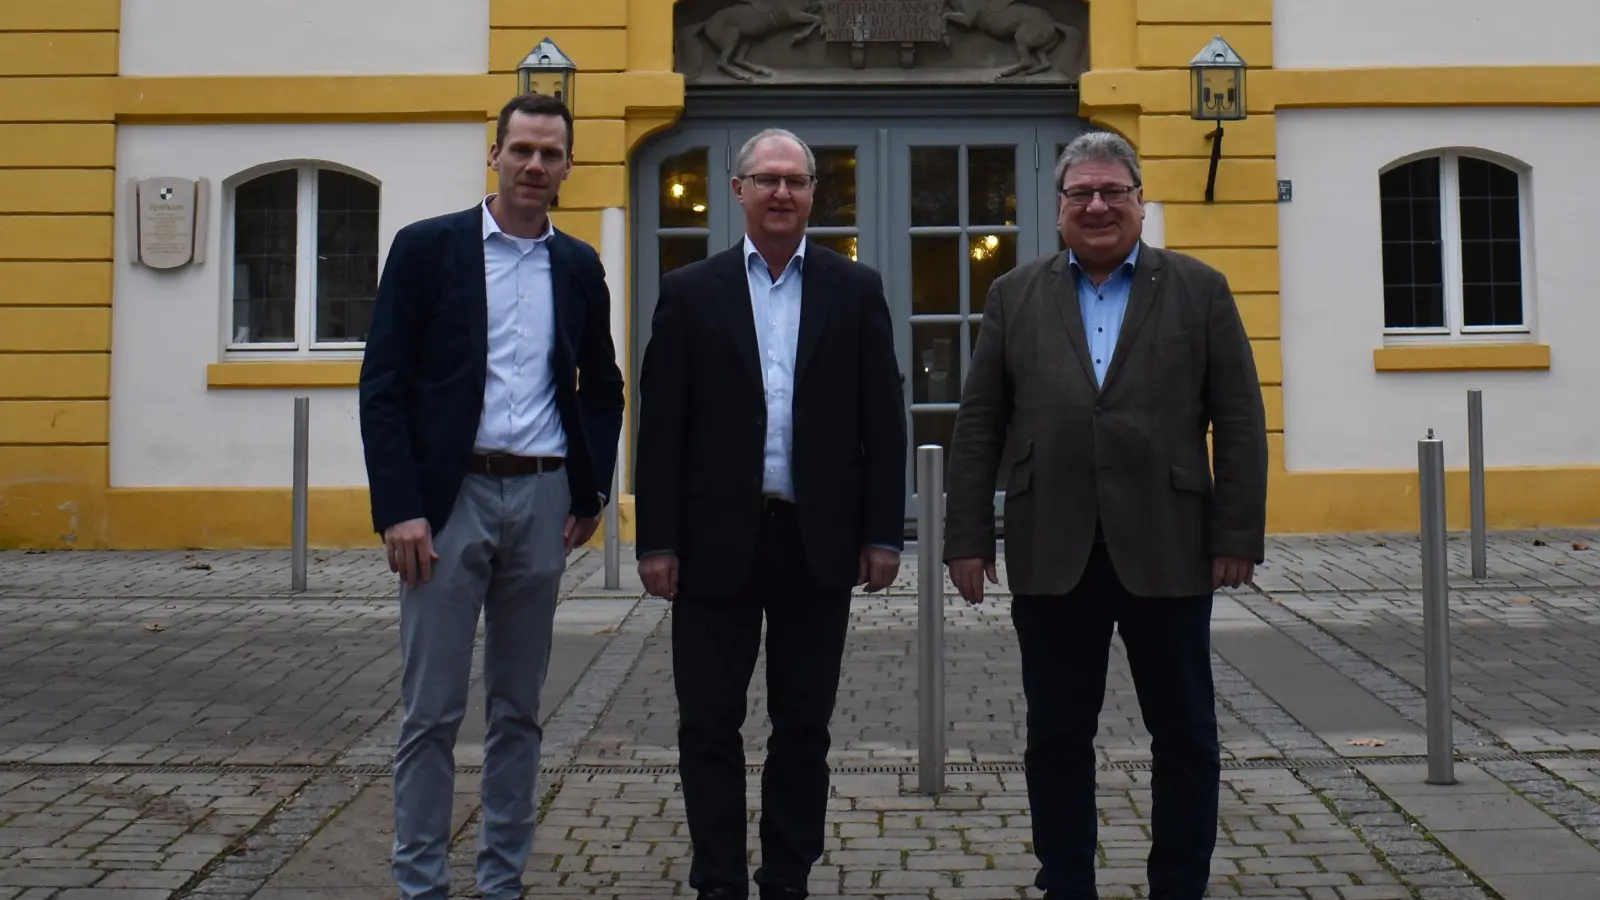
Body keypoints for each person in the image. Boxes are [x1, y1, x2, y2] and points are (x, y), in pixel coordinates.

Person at [942, 130, 1268, 900]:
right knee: (1057, 737)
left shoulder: (1200, 288)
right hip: (1051, 547)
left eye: (1112, 192)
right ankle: (1066, 882)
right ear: (1058, 209)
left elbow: (1241, 419)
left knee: (1185, 736)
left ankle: (1179, 884)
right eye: (1081, 194)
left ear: (1140, 204)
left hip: (1170, 545)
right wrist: (965, 537)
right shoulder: (1013, 294)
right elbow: (980, 423)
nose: (1096, 205)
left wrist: (1237, 534)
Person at [357, 92, 625, 900]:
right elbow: (384, 386)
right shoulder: (427, 249)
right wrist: (400, 506)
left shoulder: (577, 265)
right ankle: (421, 883)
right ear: (495, 154)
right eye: (523, 151)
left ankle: (501, 881)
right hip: (447, 502)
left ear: (568, 165)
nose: (535, 166)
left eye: (551, 154)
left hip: (542, 500)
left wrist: (592, 489)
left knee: (518, 709)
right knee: (431, 711)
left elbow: (603, 386)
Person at [633, 128, 906, 900]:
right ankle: (718, 879)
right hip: (713, 543)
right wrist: (656, 541)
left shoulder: (856, 289)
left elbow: (883, 421)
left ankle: (786, 875)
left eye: (796, 180)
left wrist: (883, 532)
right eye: (767, 179)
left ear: (815, 192)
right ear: (738, 191)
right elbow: (663, 430)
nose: (781, 192)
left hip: (817, 543)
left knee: (803, 729)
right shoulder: (691, 292)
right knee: (708, 727)